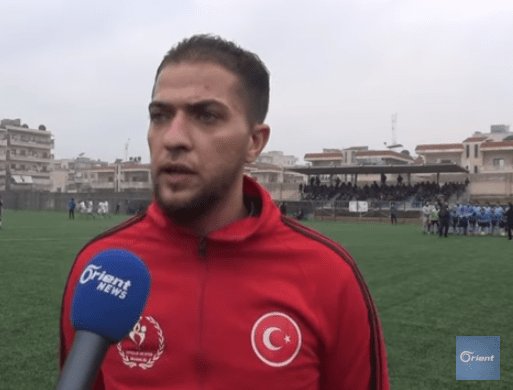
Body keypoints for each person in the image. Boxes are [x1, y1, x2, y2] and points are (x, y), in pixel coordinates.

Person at [59, 34, 390, 389]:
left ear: (254, 142)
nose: (173, 138)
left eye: (206, 115)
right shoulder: (99, 269)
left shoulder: (329, 275)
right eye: (160, 116)